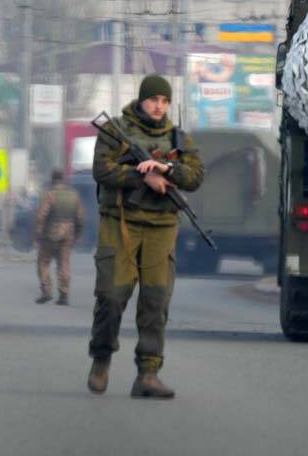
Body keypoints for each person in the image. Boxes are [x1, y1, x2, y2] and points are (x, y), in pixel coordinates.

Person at [87, 74, 204, 399]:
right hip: (120, 223)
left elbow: (195, 176)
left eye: (164, 101)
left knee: (156, 300)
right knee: (111, 295)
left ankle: (148, 374)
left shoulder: (178, 137)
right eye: (154, 99)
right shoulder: (116, 130)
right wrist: (143, 178)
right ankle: (101, 357)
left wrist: (166, 170)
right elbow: (101, 169)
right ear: (142, 99)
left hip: (162, 227)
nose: (158, 106)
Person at [34, 168, 85, 305]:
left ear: (52, 179)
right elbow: (80, 217)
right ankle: (64, 293)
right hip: (68, 233)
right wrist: (78, 234)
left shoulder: (49, 194)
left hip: (50, 233)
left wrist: (37, 233)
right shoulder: (74, 195)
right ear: (63, 179)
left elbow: (41, 216)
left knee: (43, 262)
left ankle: (46, 291)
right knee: (64, 263)